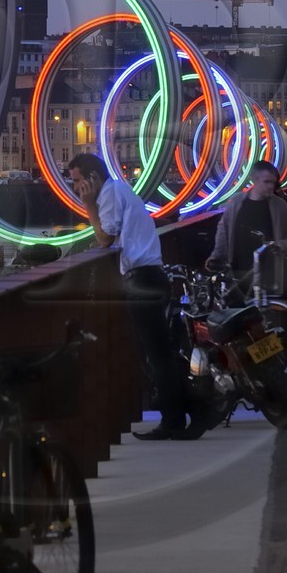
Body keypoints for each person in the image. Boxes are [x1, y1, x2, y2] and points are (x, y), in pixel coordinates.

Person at [68, 153, 196, 441]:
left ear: (92, 178)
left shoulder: (109, 194)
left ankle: (174, 421)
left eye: (77, 181)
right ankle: (184, 413)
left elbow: (104, 238)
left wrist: (89, 206)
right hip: (150, 276)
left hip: (141, 280)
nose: (75, 188)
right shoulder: (120, 189)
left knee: (157, 354)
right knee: (160, 352)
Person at [210, 160, 287, 304]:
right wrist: (217, 256)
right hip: (239, 272)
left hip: (271, 274)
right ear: (254, 180)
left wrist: (281, 246)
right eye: (267, 182)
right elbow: (223, 231)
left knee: (275, 314)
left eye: (273, 182)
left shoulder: (280, 205)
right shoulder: (236, 202)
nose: (271, 186)